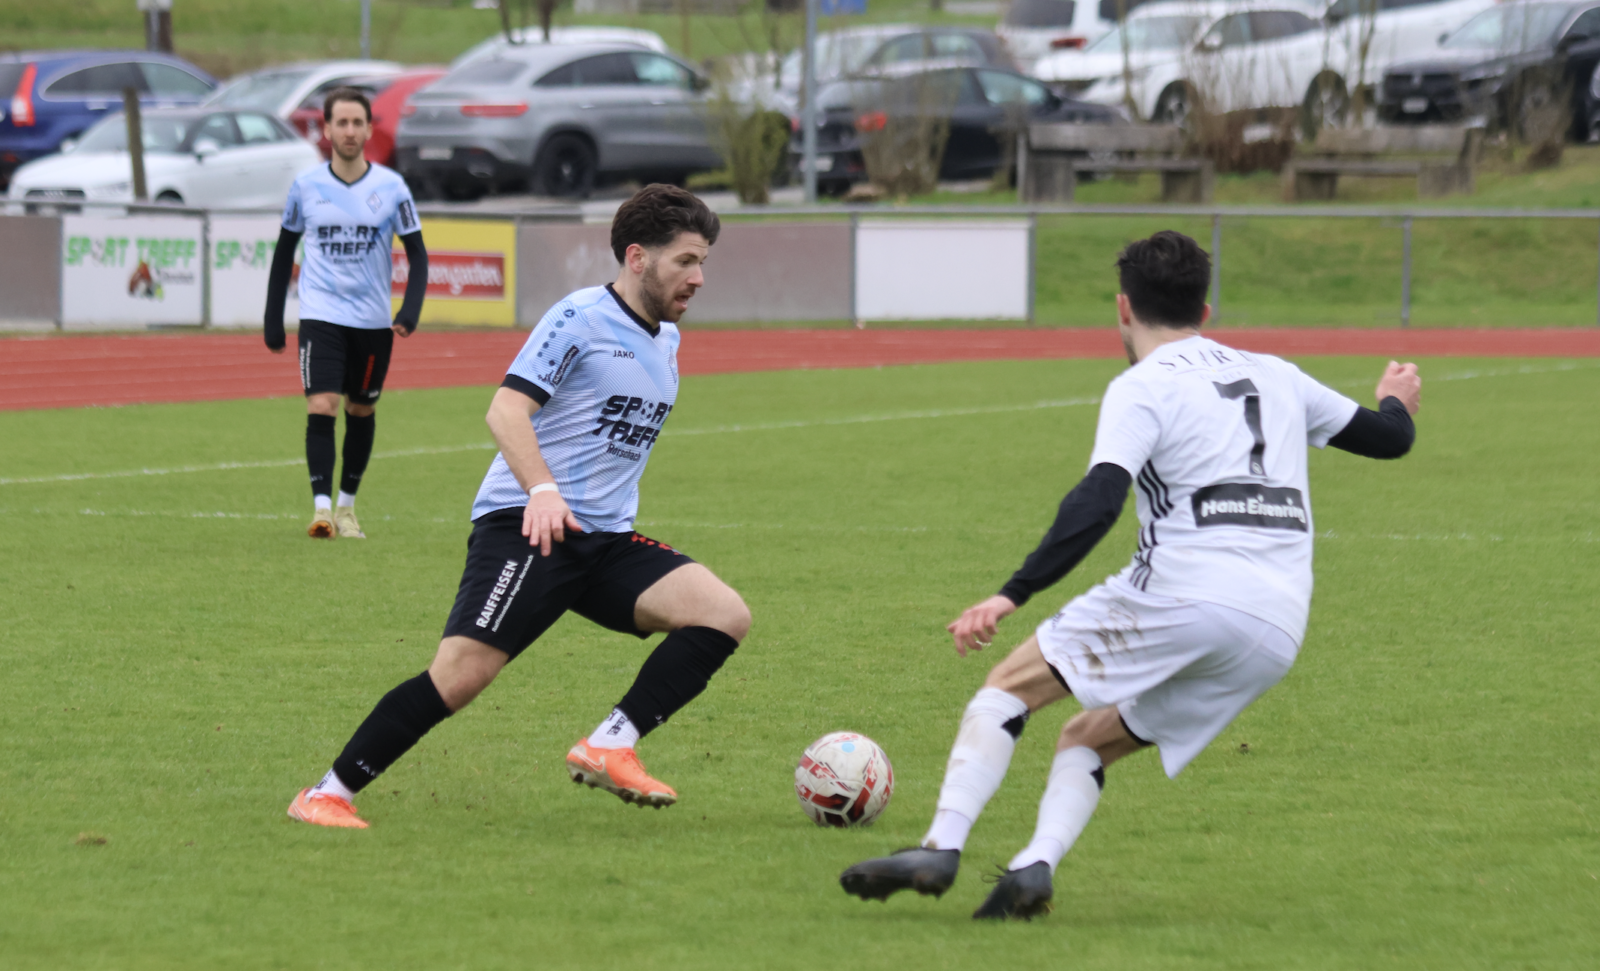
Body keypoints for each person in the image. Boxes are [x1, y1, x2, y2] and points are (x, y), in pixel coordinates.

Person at [839, 230, 1421, 920]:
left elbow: (1098, 499)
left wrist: (1012, 592)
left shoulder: (1142, 386)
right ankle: (1033, 867)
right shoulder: (1278, 375)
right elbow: (1390, 439)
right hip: (1276, 628)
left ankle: (940, 846)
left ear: (1123, 308)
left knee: (1007, 689)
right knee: (1088, 738)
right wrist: (1394, 397)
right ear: (1205, 310)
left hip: (1186, 593)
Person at [287, 184, 750, 829]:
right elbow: (506, 410)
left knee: (723, 614)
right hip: (529, 526)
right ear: (638, 257)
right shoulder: (580, 317)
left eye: (703, 262)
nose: (698, 277)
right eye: (686, 261)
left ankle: (610, 744)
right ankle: (325, 793)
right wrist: (543, 491)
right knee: (460, 675)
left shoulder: (666, 338)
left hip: (605, 540)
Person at [264, 86, 429, 540]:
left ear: (369, 128)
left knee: (361, 408)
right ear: (327, 129)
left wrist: (410, 311)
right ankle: (321, 510)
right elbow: (284, 252)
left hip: (372, 321)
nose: (350, 131)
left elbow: (418, 254)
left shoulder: (392, 187)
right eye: (342, 123)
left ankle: (347, 507)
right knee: (323, 404)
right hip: (320, 315)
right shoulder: (306, 186)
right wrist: (273, 319)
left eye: (358, 122)